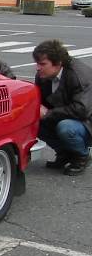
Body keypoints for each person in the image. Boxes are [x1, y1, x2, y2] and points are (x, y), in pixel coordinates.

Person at [33, 39, 92, 176]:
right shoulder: (43, 76)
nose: (38, 67)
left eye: (42, 64)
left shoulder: (79, 75)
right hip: (63, 115)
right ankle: (64, 154)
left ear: (58, 63)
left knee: (66, 128)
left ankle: (81, 157)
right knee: (33, 122)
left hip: (87, 120)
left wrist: (47, 113)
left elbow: (82, 110)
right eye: (37, 63)